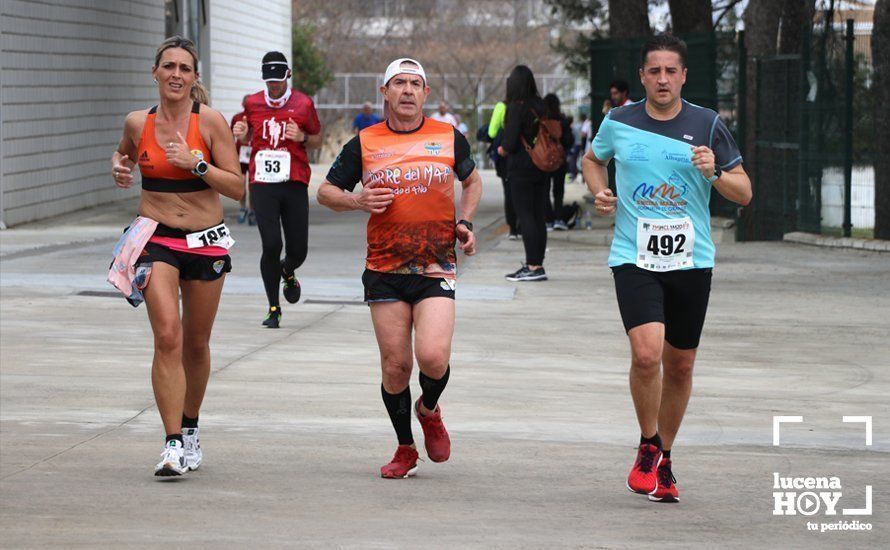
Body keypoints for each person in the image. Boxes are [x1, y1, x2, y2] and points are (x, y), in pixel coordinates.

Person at [582, 35, 752, 503]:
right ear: (642, 76)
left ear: (683, 76)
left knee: (681, 365)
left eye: (670, 71)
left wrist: (715, 172)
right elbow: (592, 159)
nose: (662, 79)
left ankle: (666, 459)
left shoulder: (707, 124)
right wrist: (599, 190)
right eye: (653, 71)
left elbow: (744, 192)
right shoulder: (619, 121)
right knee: (646, 354)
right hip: (633, 255)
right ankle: (647, 442)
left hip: (691, 259)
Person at [317, 58, 483, 479]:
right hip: (385, 267)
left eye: (415, 84)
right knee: (395, 367)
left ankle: (428, 409)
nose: (407, 91)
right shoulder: (366, 142)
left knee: (432, 357)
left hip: (435, 264)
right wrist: (356, 201)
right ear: (384, 92)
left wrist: (464, 222)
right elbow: (326, 191)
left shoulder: (448, 137)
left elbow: (473, 181)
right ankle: (405, 447)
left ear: (426, 94)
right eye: (399, 84)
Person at [110, 36, 244, 477]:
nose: (176, 75)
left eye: (185, 68)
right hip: (156, 238)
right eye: (169, 66)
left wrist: (196, 165)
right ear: (155, 72)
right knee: (168, 335)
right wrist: (119, 165)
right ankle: (171, 444)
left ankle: (190, 428)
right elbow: (126, 153)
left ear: (195, 77)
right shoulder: (137, 122)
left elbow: (239, 189)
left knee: (197, 343)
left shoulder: (211, 123)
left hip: (206, 241)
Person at [232, 51, 322, 328]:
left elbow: (318, 139)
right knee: (271, 244)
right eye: (269, 81)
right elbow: (248, 135)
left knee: (298, 250)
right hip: (262, 183)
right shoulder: (252, 102)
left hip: (294, 181)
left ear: (288, 76)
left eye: (279, 81)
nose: (274, 86)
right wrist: (241, 132)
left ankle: (288, 269)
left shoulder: (304, 104)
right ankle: (274, 308)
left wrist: (303, 137)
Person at [500, 65, 550, 282]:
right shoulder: (542, 105)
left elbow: (510, 143)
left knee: (525, 215)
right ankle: (538, 264)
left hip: (521, 168)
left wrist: (502, 149)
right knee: (539, 216)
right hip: (543, 166)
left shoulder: (516, 107)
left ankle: (532, 266)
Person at [542, 93, 574, 231]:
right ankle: (559, 219)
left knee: (544, 190)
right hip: (559, 161)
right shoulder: (562, 120)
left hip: (543, 161)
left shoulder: (541, 121)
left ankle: (548, 219)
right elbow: (569, 141)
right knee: (558, 190)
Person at [487, 100, 519, 239]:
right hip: (526, 157)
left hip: (505, 156)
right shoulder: (531, 106)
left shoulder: (502, 106)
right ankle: (524, 225)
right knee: (525, 193)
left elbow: (492, 133)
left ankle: (513, 229)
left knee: (509, 192)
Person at [231, 94, 255, 225]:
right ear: (242, 104)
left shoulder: (258, 117)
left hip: (254, 155)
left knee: (252, 185)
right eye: (246, 103)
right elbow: (230, 135)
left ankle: (252, 210)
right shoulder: (237, 117)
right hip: (240, 155)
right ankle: (242, 208)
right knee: (241, 183)